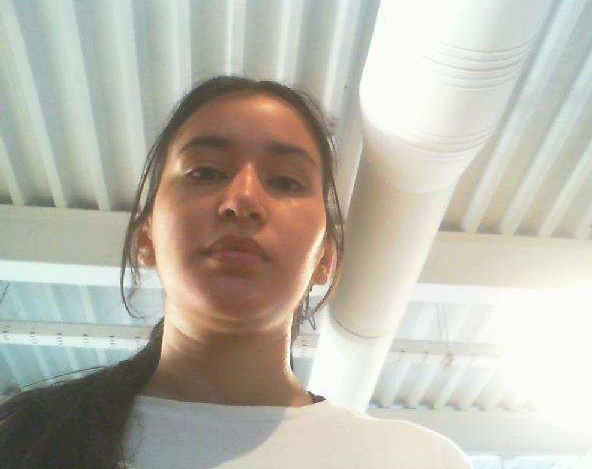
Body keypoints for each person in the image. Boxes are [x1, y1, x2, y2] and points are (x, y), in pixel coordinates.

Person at [0, 76, 471, 468]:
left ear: (325, 258)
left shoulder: (417, 460)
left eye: (285, 181)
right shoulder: (26, 440)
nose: (242, 199)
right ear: (147, 236)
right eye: (205, 172)